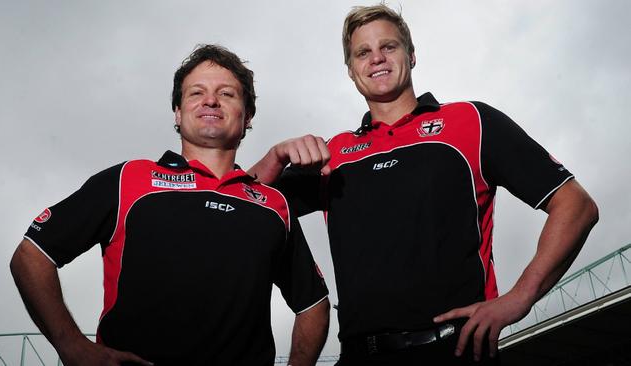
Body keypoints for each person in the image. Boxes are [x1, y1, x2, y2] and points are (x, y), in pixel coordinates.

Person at [249, 4, 599, 365]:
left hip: (456, 350)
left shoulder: (470, 122)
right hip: (359, 355)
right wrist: (273, 158)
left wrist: (521, 297)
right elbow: (243, 201)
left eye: (389, 47)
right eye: (363, 52)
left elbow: (576, 205)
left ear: (411, 55)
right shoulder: (334, 155)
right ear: (351, 71)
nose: (377, 59)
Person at [10, 44, 330, 366]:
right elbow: (32, 254)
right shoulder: (129, 179)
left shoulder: (273, 205)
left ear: (247, 116)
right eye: (196, 93)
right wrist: (72, 345)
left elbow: (313, 304)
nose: (210, 100)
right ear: (177, 112)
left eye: (227, 94)